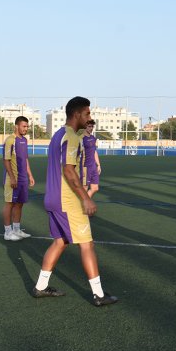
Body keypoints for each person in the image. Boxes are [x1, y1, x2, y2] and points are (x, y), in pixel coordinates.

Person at [33, 96, 117, 306]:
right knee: (87, 244)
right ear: (77, 114)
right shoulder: (70, 137)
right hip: (67, 200)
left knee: (61, 241)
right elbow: (69, 170)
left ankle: (40, 287)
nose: (90, 117)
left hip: (52, 198)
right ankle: (98, 294)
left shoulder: (58, 135)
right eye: (87, 113)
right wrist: (85, 198)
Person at [2, 116, 35, 241]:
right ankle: (7, 232)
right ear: (17, 126)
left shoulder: (25, 140)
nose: (26, 128)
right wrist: (12, 178)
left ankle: (16, 230)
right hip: (13, 178)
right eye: (24, 126)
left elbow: (25, 159)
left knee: (20, 204)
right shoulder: (10, 140)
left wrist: (30, 175)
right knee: (10, 204)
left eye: (27, 126)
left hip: (23, 179)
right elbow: (6, 160)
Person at [81, 119, 101, 198]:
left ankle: (85, 203)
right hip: (85, 167)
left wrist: (98, 165)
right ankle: (81, 206)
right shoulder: (81, 138)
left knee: (95, 188)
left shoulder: (93, 138)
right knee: (84, 188)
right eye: (89, 126)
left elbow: (94, 152)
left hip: (93, 167)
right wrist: (81, 167)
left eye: (92, 126)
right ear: (85, 127)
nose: (91, 128)